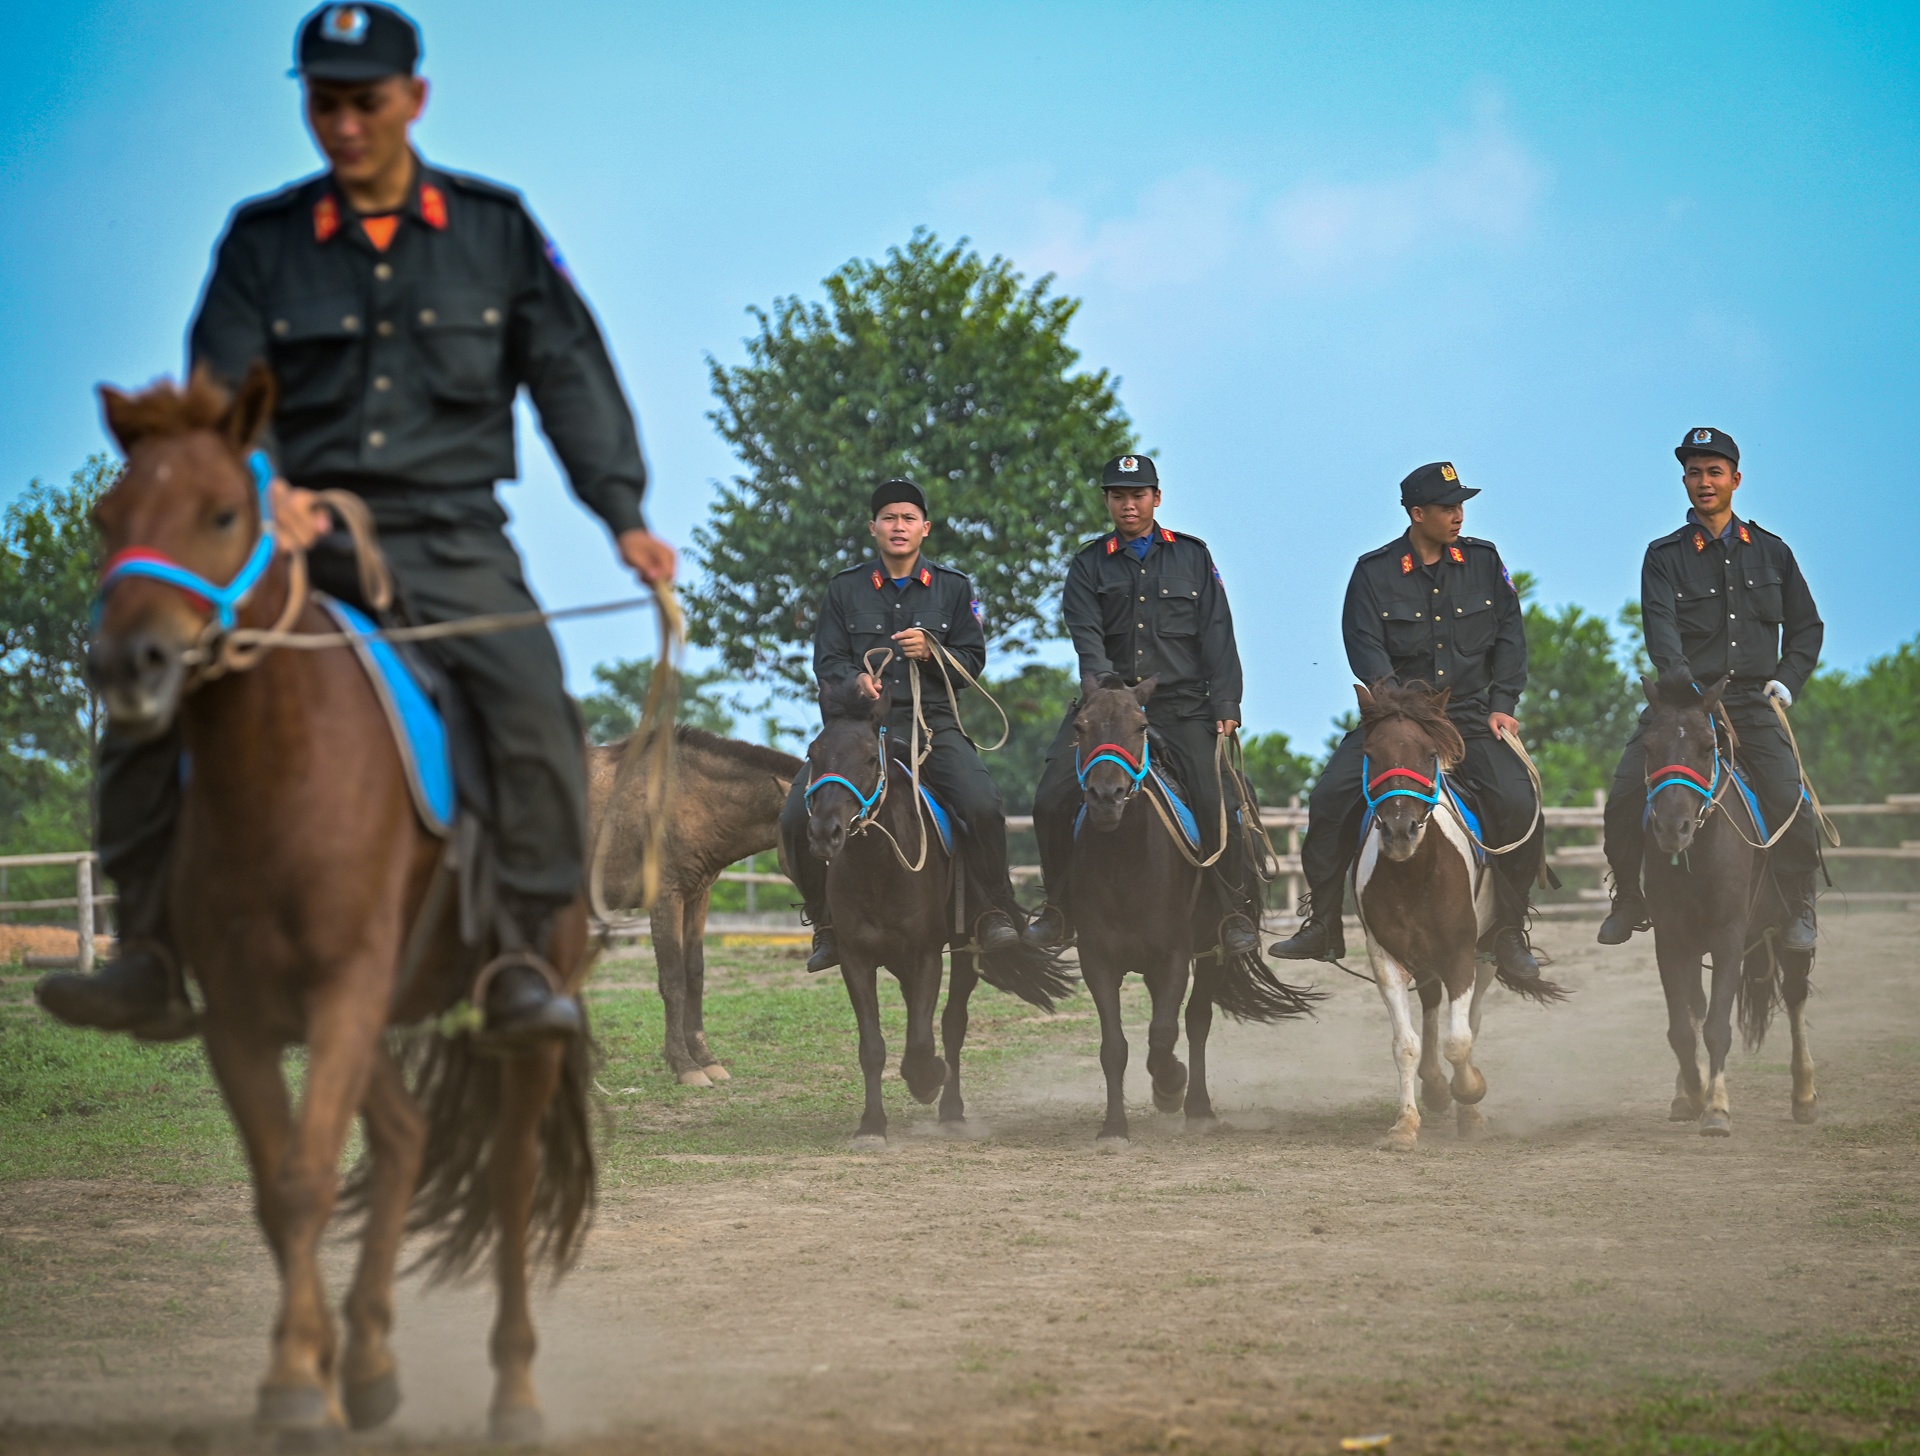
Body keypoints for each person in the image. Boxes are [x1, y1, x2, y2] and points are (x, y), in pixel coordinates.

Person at [38, 3, 674, 1047]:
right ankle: (148, 952)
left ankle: (520, 957)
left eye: (364, 103)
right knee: (148, 682)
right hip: (297, 542)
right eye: (323, 103)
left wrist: (623, 513)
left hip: (454, 537)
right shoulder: (261, 242)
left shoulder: (495, 230)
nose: (342, 124)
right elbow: (214, 400)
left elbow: (571, 377)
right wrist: (263, 478)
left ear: (412, 100)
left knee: (536, 709)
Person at [1269, 462, 1545, 980]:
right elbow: (1364, 644)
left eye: (1461, 506)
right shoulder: (1372, 572)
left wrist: (1504, 703)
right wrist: (1394, 708)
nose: (1458, 515)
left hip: (1468, 715)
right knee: (1329, 797)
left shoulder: (1484, 562)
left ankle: (1509, 929)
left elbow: (1511, 634)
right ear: (1417, 514)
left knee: (1518, 800)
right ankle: (1324, 923)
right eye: (1447, 508)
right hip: (1395, 716)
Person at [781, 479, 1024, 974]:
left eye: (908, 518)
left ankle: (993, 910)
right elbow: (827, 662)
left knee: (982, 803)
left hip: (931, 726)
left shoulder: (954, 588)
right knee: (791, 819)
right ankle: (827, 924)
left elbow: (972, 660)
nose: (898, 526)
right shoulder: (844, 588)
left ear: (925, 529)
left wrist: (934, 653)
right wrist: (855, 685)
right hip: (857, 734)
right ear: (873, 528)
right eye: (889, 518)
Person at [1026, 454, 1261, 959]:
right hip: (1106, 707)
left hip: (1180, 707)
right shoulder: (1089, 563)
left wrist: (1226, 701)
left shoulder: (1193, 557)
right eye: (1117, 496)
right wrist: (1106, 689)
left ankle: (1232, 911)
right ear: (1107, 501)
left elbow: (1218, 631)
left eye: (1137, 495)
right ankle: (1060, 907)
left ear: (1156, 498)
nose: (1127, 505)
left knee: (1219, 797)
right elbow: (1085, 634)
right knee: (1049, 798)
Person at [1597, 428, 1823, 948]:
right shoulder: (1663, 556)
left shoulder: (1772, 552)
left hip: (1751, 701)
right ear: (1684, 481)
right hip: (1682, 705)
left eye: (1714, 472)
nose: (1704, 482)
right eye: (1695, 473)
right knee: (1624, 798)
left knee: (1792, 798)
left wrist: (1786, 683)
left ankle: (1798, 904)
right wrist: (1687, 692)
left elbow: (1807, 626)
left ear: (1736, 480)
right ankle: (1629, 897)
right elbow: (1661, 632)